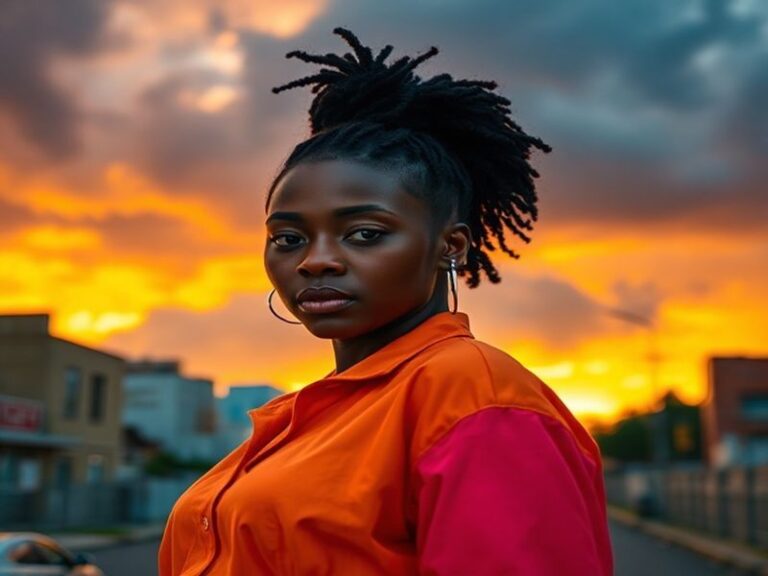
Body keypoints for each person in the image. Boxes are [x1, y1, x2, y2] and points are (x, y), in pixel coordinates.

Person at [158, 27, 614, 575]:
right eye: (289, 238)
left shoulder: (477, 401)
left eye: (365, 233)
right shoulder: (316, 414)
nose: (314, 261)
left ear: (451, 245)